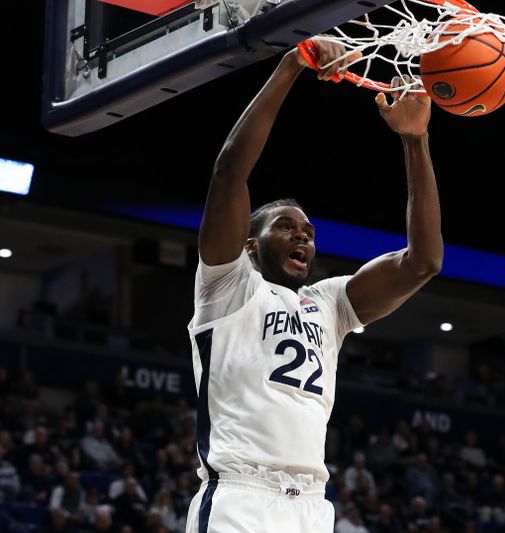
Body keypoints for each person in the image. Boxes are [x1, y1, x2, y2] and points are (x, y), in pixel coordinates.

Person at [184, 35, 442, 533]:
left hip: (311, 507)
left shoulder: (328, 303)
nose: (302, 235)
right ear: (251, 245)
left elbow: (423, 262)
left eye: (307, 231)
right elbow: (230, 172)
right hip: (241, 497)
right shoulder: (228, 284)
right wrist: (292, 65)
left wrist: (416, 140)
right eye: (285, 226)